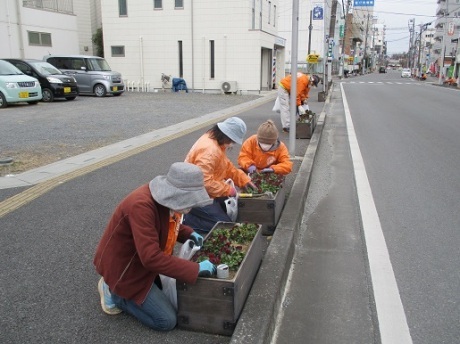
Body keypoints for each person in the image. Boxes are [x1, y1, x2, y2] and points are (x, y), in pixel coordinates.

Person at [93, 162, 216, 331]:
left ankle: (121, 289)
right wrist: (195, 269)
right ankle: (115, 294)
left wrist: (188, 233)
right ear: (177, 195)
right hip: (126, 269)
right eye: (190, 202)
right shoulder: (141, 206)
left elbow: (170, 223)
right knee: (166, 321)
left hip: (141, 262)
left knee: (164, 295)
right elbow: (151, 258)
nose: (191, 207)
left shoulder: (167, 199)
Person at [183, 117, 257, 232]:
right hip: (193, 195)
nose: (231, 144)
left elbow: (226, 166)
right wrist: (228, 190)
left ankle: (194, 215)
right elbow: (205, 182)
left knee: (225, 214)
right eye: (232, 140)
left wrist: (244, 180)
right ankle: (184, 222)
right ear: (226, 135)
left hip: (203, 192)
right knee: (224, 226)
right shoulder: (210, 151)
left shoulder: (215, 141)